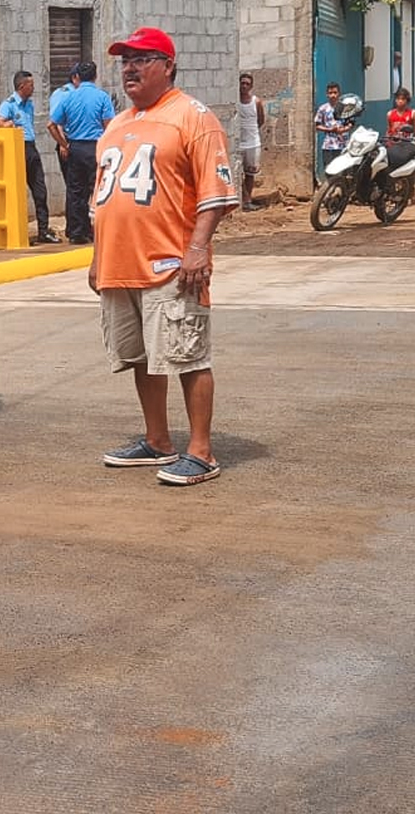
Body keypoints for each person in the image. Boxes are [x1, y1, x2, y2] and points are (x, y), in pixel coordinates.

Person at [90, 27, 238, 486]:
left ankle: (201, 451)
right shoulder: (116, 124)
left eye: (142, 59)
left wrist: (198, 249)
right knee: (139, 357)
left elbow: (215, 193)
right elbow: (101, 198)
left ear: (168, 65)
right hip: (119, 264)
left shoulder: (194, 117)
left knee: (187, 354)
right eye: (125, 61)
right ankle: (157, 440)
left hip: (171, 264)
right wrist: (97, 259)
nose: (130, 68)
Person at [49, 60, 115, 244]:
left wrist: (64, 144)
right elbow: (109, 125)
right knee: (99, 190)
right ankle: (99, 230)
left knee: (75, 191)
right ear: (95, 76)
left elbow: (51, 125)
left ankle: (77, 232)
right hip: (96, 147)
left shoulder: (68, 97)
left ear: (77, 76)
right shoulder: (102, 97)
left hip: (75, 148)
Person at [0, 70, 61, 244]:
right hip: (18, 148)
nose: (33, 88)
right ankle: (20, 233)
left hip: (31, 147)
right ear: (21, 86)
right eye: (31, 85)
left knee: (40, 191)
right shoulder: (9, 104)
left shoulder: (29, 105)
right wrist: (8, 124)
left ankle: (43, 230)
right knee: (18, 194)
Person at [236, 72, 266, 211]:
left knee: (250, 174)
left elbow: (260, 120)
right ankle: (242, 200)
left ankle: (247, 201)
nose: (244, 86)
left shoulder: (256, 102)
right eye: (242, 83)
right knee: (237, 172)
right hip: (237, 144)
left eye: (247, 84)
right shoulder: (235, 100)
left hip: (252, 143)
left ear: (251, 86)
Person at [314, 82, 353, 172]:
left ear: (339, 93)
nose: (333, 95)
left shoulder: (345, 108)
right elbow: (317, 125)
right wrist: (329, 129)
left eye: (335, 93)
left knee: (344, 171)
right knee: (329, 170)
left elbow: (351, 123)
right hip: (329, 146)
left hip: (344, 145)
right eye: (330, 93)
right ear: (327, 94)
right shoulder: (323, 109)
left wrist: (343, 130)